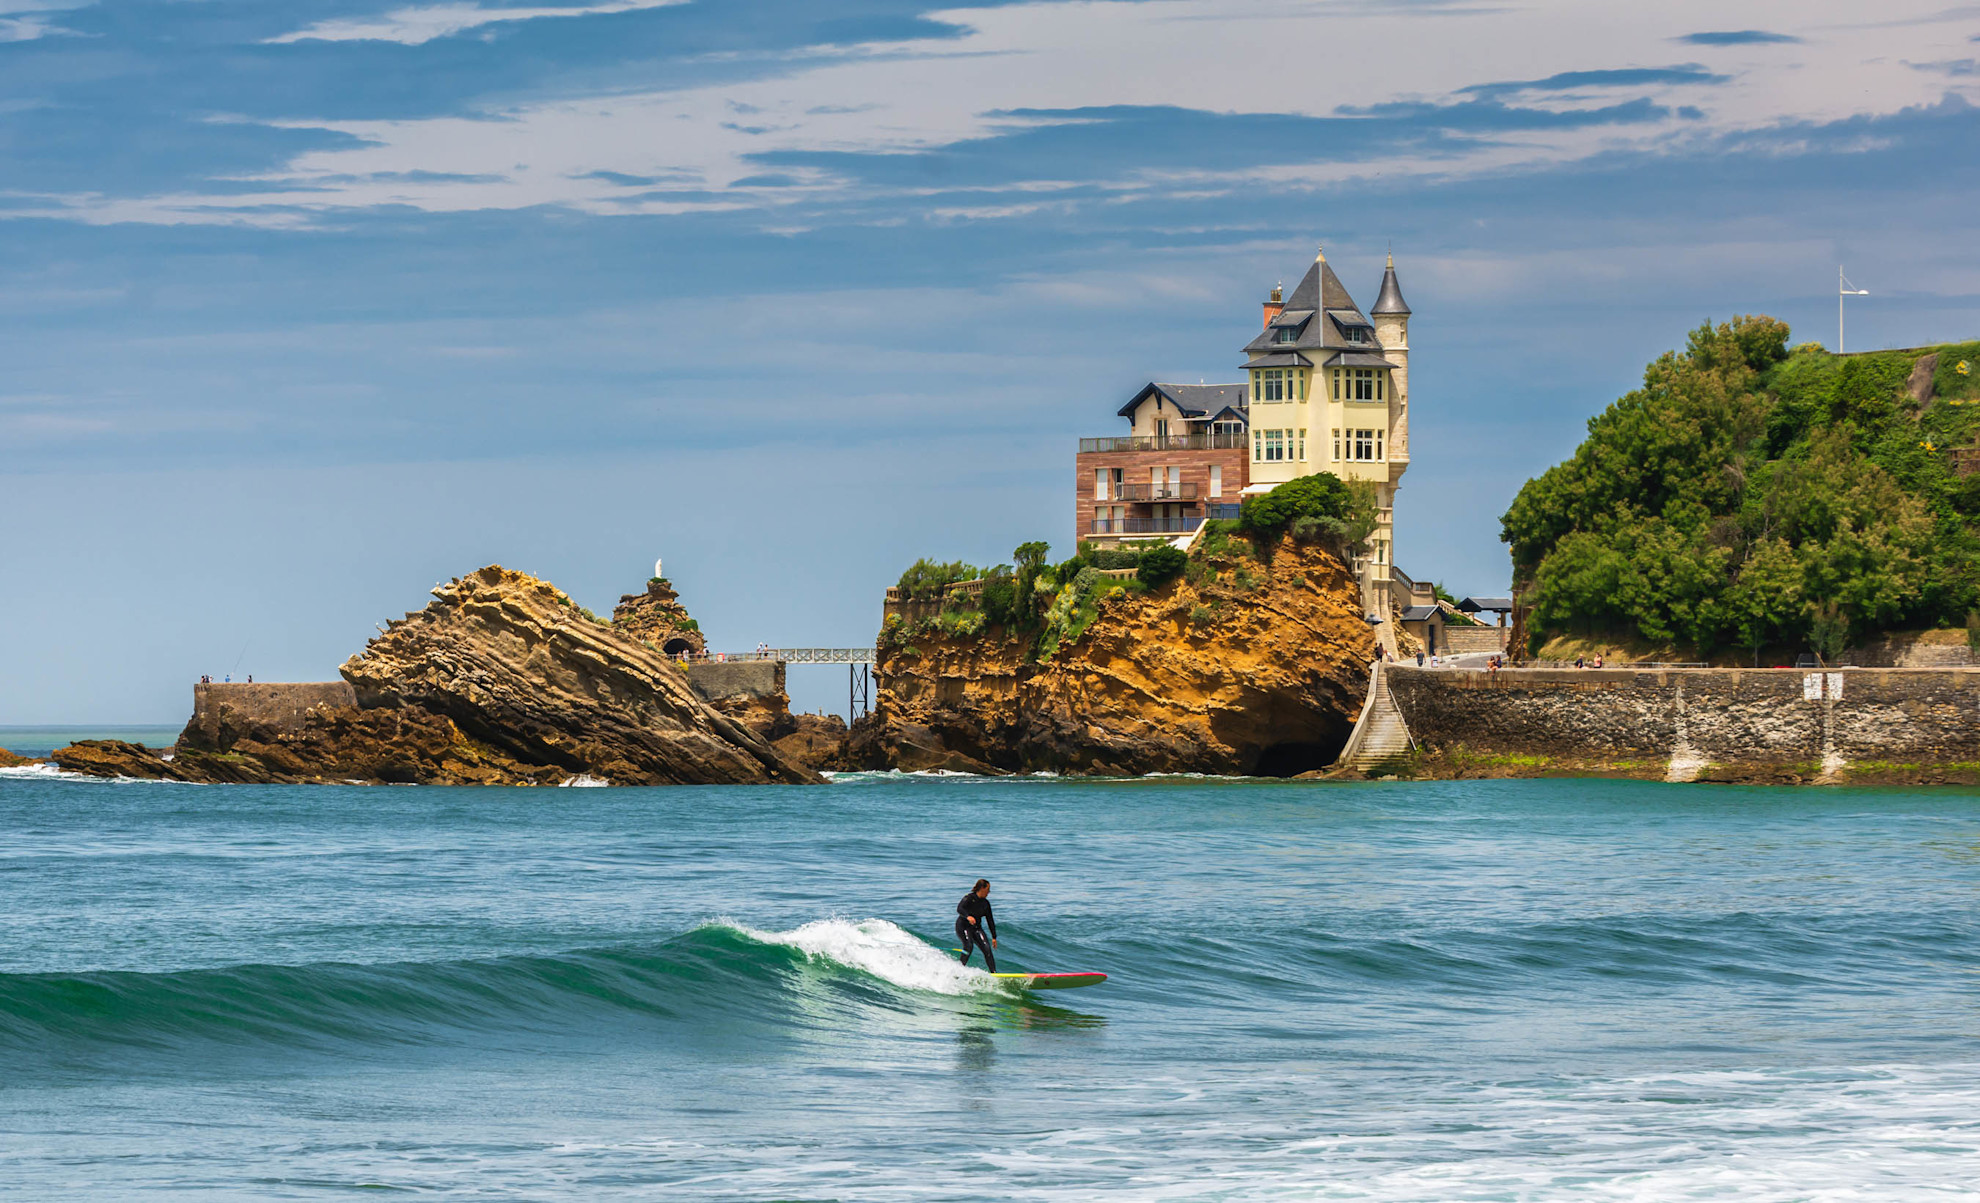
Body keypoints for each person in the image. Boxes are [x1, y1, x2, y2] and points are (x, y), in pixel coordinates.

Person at [956, 878, 997, 972]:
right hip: (963, 926)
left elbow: (990, 920)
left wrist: (994, 937)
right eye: (988, 889)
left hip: (976, 928)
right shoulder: (969, 898)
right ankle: (959, 970)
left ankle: (994, 973)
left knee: (987, 949)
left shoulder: (985, 903)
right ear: (982, 888)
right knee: (969, 946)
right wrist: (968, 916)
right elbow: (959, 908)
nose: (989, 892)